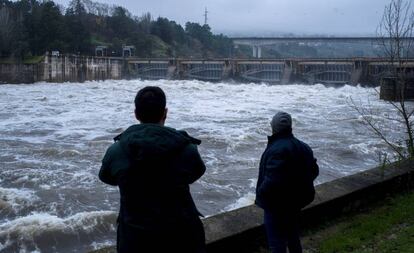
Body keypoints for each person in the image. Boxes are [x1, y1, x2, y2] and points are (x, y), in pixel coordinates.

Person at [99, 86, 206, 253]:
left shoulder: (117, 151)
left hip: (135, 239)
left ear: (136, 114)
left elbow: (106, 177)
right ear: (165, 112)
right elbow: (196, 172)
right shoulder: (187, 149)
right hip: (182, 237)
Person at [255, 111, 319, 253]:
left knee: (277, 242)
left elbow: (272, 180)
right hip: (296, 202)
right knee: (293, 237)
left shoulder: (277, 149)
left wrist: (261, 193)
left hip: (276, 205)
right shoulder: (304, 147)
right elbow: (314, 171)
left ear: (274, 127)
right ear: (290, 127)